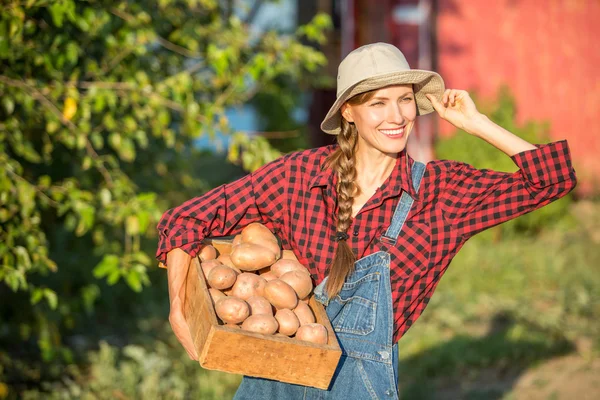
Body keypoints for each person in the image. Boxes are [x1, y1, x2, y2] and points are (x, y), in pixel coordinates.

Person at [156, 43, 576, 399]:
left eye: (406, 99)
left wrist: (476, 123)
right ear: (349, 114)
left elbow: (552, 179)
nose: (397, 116)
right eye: (378, 103)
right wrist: (179, 305)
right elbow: (186, 219)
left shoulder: (441, 193)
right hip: (273, 379)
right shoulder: (299, 176)